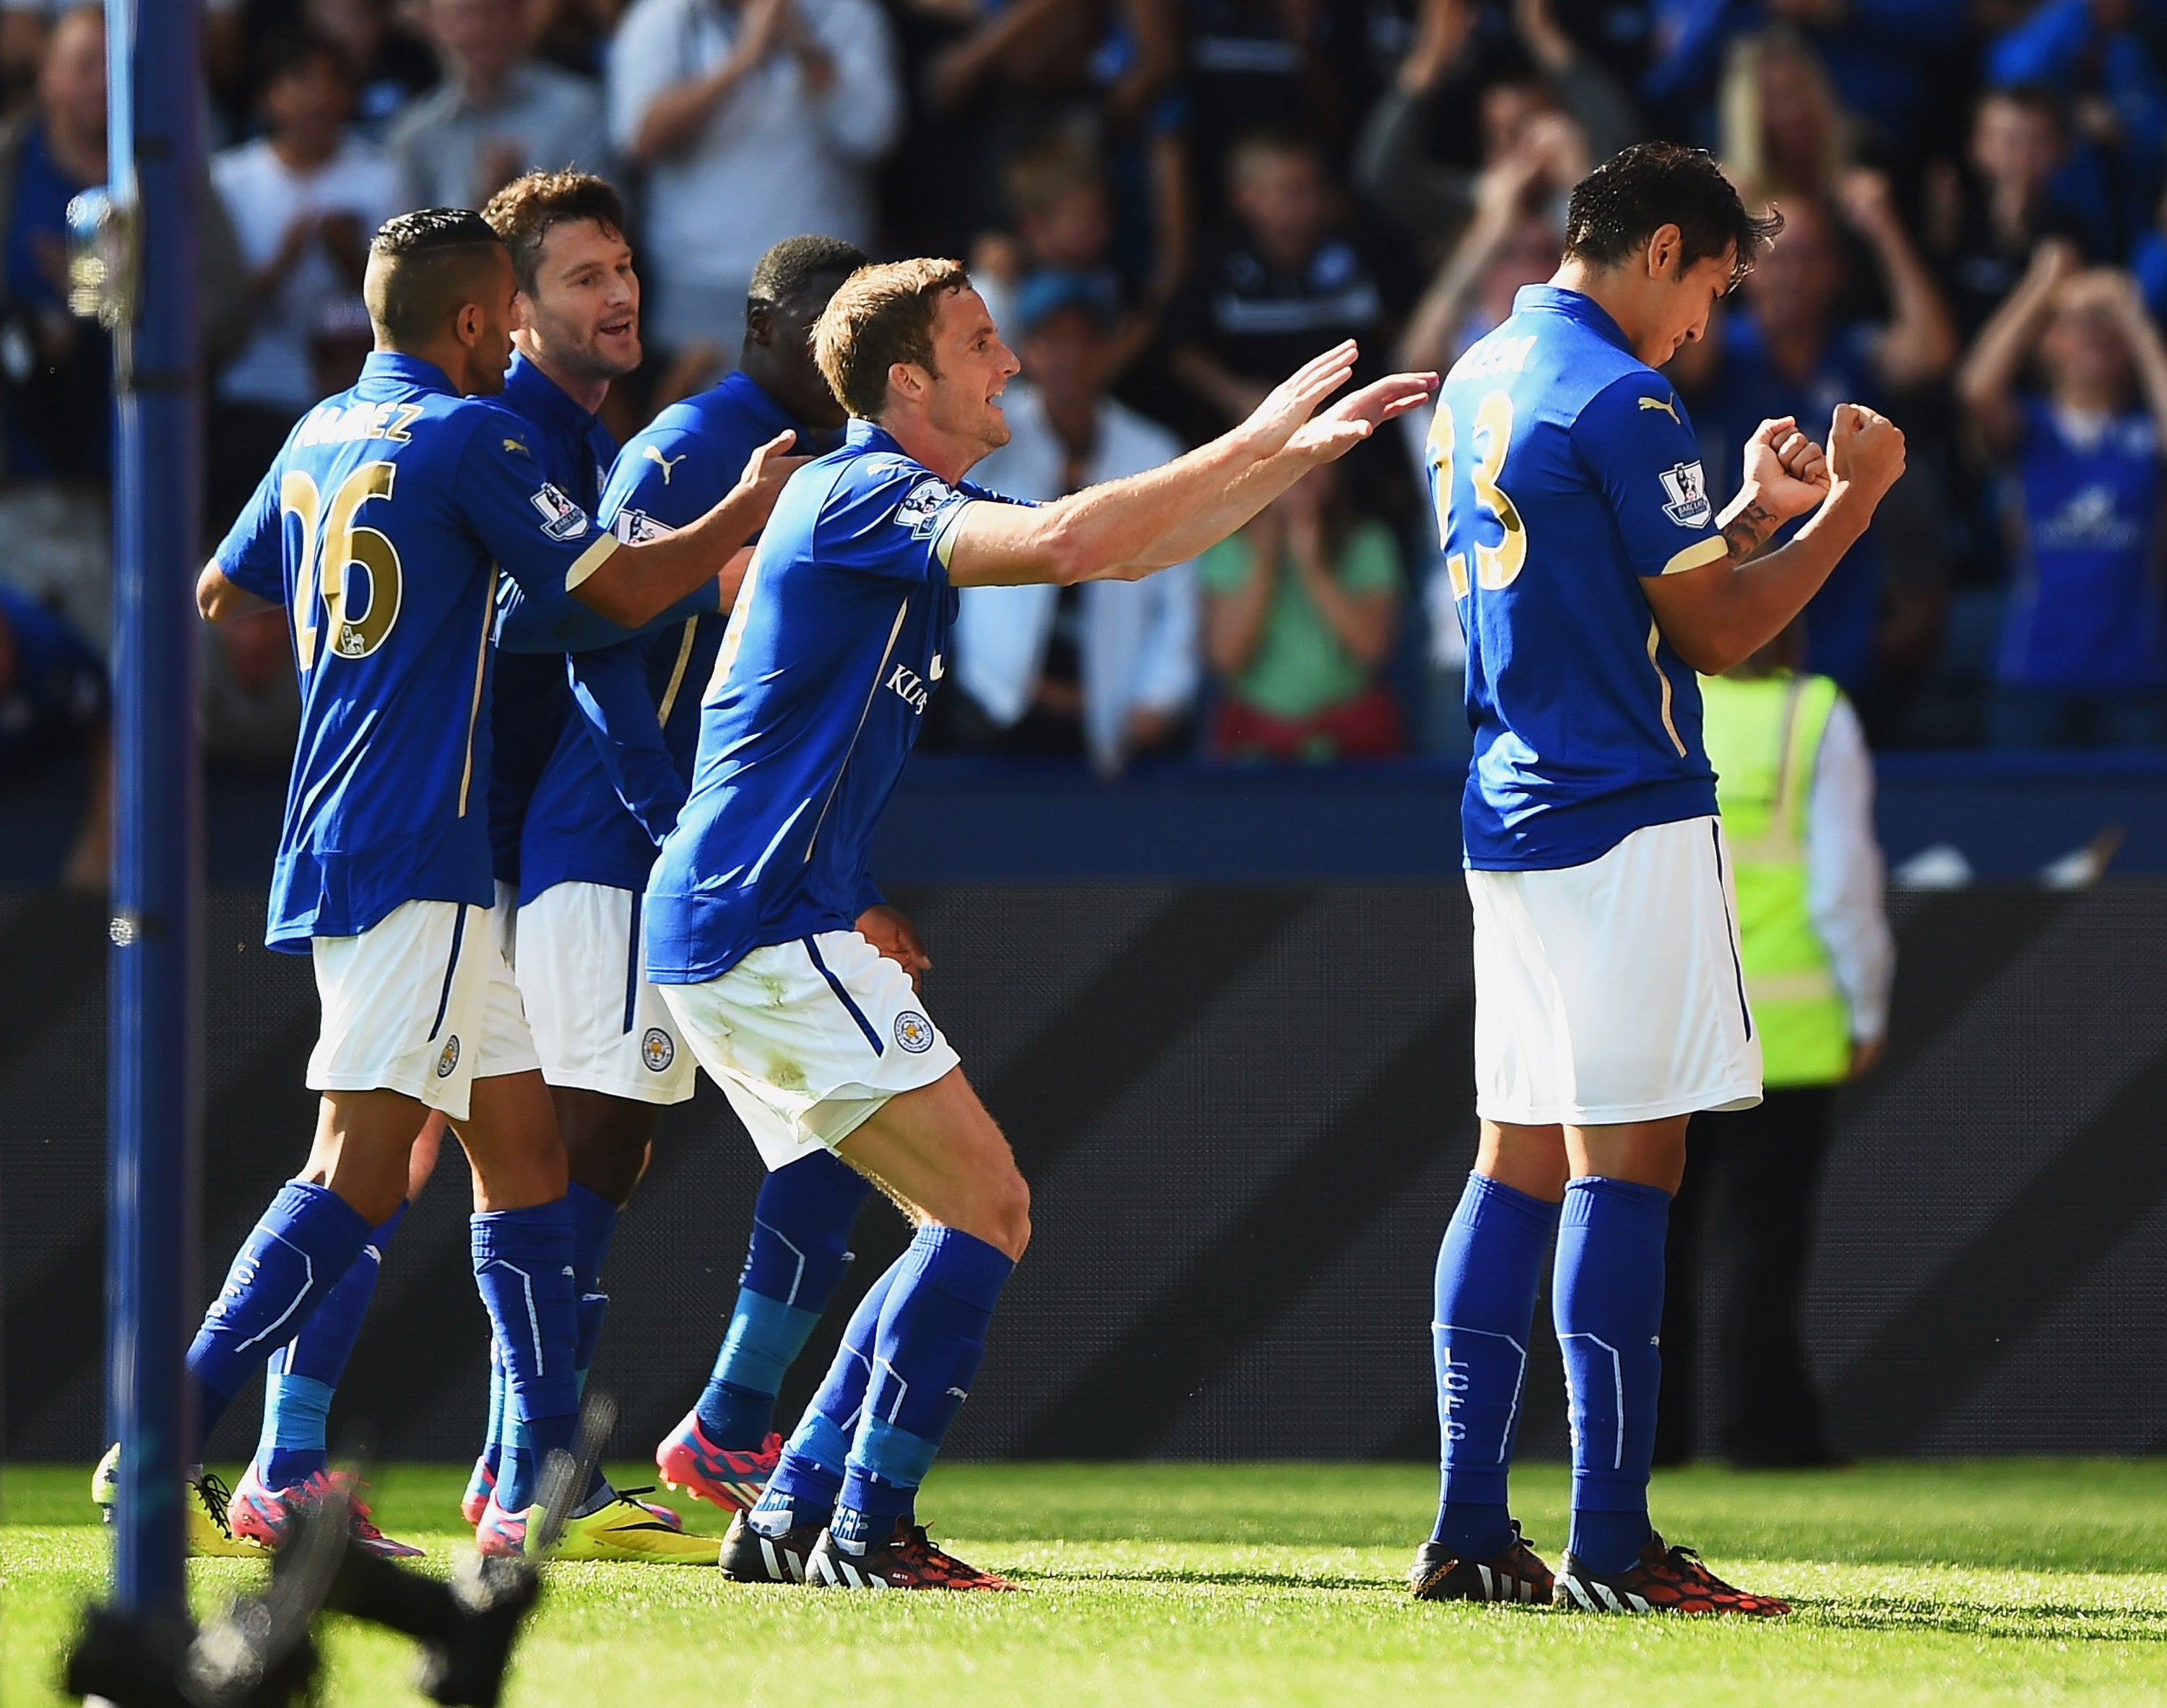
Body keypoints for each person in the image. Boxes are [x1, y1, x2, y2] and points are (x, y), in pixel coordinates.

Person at [646, 259, 1432, 1590]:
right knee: (989, 1208)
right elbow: (1080, 540)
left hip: (753, 920)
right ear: (911, 381)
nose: (1007, 364)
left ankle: (793, 1513)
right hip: (756, 921)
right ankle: (862, 1525)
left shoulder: (896, 502)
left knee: (960, 1215)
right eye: (981, 343)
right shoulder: (862, 493)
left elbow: (1131, 548)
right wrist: (1247, 439)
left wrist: (1285, 461)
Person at [128, 207, 801, 1561]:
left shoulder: (323, 428)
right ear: (482, 319)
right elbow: (608, 594)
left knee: (524, 1154)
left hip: (350, 822)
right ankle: (164, 1444)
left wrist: (373, 615)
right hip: (419, 839)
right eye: (521, 303)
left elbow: (219, 588)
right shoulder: (472, 435)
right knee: (364, 1169)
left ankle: (544, 1480)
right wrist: (742, 512)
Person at [1412, 141, 1905, 1616]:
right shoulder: (1628, 394)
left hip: (1510, 807)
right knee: (1630, 1174)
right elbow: (1713, 639)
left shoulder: (1482, 372)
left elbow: (1616, 586)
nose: (1706, 323)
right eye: (1710, 285)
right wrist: (1849, 508)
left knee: (1516, 1163)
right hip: (1622, 811)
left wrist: (1742, 515)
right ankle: (1613, 1545)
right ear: (1667, 247)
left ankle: (1467, 1525)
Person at [1656, 621, 1893, 1469]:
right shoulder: (1816, 715)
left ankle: (1652, 1439)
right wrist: (1865, 1005)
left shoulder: (1666, 705)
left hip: (1679, 1027)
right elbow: (1843, 885)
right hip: (1787, 1034)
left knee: (1660, 1240)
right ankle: (1767, 1434)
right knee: (1764, 1243)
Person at [1675, 181, 1954, 696]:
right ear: (1745, 269)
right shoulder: (1716, 351)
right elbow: (1687, 360)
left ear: (1836, 270)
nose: (1792, 275)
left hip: (1847, 620)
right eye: (1775, 258)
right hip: (1734, 627)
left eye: (1809, 257)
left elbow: (1931, 351)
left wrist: (1883, 228)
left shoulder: (1851, 353)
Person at [946, 271, 1201, 773]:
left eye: (1084, 342)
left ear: (1107, 351)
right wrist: (993, 284)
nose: (1068, 357)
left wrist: (1160, 693)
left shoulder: (1153, 452)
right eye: (1050, 341)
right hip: (994, 705)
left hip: (1115, 722)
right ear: (1024, 353)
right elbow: (952, 371)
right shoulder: (987, 433)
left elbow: (1179, 597)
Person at [607, 0, 901, 361]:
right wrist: (744, 59)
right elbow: (639, 139)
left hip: (824, 284)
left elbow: (873, 135)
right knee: (708, 415)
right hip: (699, 285)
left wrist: (804, 47)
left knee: (829, 414)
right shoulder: (663, 18)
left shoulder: (844, 14)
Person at [1958, 245, 2167, 748]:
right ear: (2048, 340)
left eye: (2106, 321)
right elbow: (1977, 389)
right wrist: (2041, 287)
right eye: (2077, 321)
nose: (2095, 332)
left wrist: (2135, 316)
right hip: (2035, 671)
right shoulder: (2033, 426)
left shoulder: (2144, 432)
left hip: (2134, 673)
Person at [209, 32, 402, 534]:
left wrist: (353, 262)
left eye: (333, 81)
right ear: (267, 96)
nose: (319, 96)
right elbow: (215, 307)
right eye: (301, 81)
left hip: (360, 395)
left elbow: (410, 304)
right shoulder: (230, 180)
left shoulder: (382, 177)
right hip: (256, 390)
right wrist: (282, 263)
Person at [1200, 459, 1405, 761]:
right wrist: (1265, 564)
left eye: (1318, 455)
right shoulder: (1228, 548)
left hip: (1350, 754)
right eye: (1290, 457)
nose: (1303, 469)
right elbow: (1225, 660)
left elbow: (1373, 650)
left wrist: (1313, 568)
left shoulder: (1369, 543)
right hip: (1255, 753)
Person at [386, 0, 612, 212]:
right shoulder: (415, 135)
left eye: (490, 12)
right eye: (461, 16)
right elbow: (403, 245)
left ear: (518, 16)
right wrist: (487, 199)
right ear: (434, 26)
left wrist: (523, 200)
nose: (477, 30)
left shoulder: (576, 109)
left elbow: (609, 222)